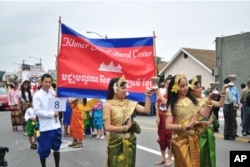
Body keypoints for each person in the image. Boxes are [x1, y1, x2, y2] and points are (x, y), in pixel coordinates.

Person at [165, 73, 214, 167]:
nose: (186, 88)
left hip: (194, 139)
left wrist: (209, 100)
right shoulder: (173, 104)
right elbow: (168, 125)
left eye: (186, 84)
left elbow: (204, 113)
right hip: (181, 141)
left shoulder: (192, 100)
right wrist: (185, 126)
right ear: (175, 88)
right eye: (182, 86)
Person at [103, 75, 152, 167]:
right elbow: (107, 127)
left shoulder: (129, 103)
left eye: (126, 88)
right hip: (115, 142)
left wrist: (148, 95)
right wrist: (125, 127)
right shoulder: (108, 105)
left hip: (129, 142)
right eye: (123, 88)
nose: (126, 90)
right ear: (115, 89)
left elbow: (146, 110)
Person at [188, 76, 230, 167]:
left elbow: (220, 104)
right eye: (197, 87)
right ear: (191, 90)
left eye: (200, 87)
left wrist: (223, 90)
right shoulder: (190, 102)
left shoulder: (204, 99)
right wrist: (206, 122)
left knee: (209, 155)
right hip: (197, 132)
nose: (200, 89)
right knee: (199, 157)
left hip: (207, 131)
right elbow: (202, 115)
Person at [33, 73, 61, 167]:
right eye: (46, 82)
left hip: (56, 126)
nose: (48, 84)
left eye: (50, 82)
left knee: (57, 147)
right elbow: (37, 111)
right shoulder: (37, 96)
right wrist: (52, 114)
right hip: (45, 128)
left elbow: (59, 106)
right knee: (44, 150)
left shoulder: (54, 94)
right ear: (41, 82)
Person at [155, 75, 172, 166]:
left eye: (170, 84)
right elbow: (157, 105)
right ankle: (163, 158)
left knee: (169, 138)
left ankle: (169, 159)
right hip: (161, 117)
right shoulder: (162, 92)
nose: (168, 85)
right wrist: (157, 117)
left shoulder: (174, 94)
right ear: (165, 83)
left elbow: (166, 102)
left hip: (170, 118)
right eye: (167, 83)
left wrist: (158, 93)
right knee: (161, 138)